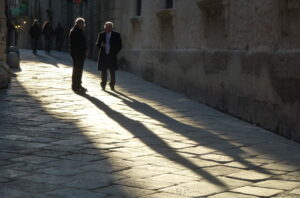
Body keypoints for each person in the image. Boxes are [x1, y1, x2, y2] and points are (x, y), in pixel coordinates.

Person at [96, 21, 122, 91]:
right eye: (106, 27)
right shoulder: (101, 34)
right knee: (103, 71)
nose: (107, 28)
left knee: (112, 71)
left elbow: (119, 46)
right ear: (104, 27)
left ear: (112, 27)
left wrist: (114, 52)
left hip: (112, 56)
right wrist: (101, 45)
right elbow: (97, 44)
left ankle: (112, 85)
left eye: (109, 27)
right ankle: (103, 84)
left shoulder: (116, 35)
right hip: (103, 56)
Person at [69, 17, 88, 93]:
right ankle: (75, 85)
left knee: (79, 70)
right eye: (83, 24)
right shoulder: (74, 31)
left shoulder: (79, 30)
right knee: (77, 70)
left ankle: (78, 84)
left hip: (80, 54)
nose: (84, 25)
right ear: (79, 24)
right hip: (77, 54)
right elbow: (77, 44)